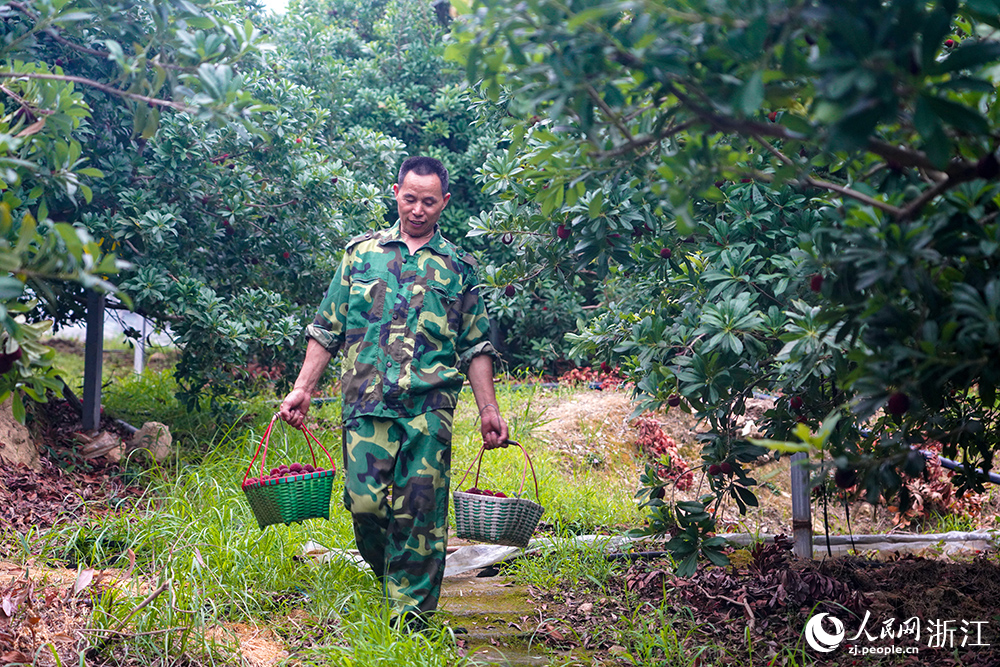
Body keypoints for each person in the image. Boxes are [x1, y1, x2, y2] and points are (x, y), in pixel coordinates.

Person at [279, 156, 509, 628]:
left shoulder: (458, 267)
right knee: (366, 505)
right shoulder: (360, 256)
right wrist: (302, 388)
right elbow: (326, 328)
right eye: (410, 198)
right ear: (396, 193)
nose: (418, 209)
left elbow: (476, 345)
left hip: (430, 408)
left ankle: (411, 620)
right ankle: (392, 574)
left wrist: (489, 408)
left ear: (444, 202)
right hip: (366, 404)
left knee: (420, 514)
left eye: (429, 201)